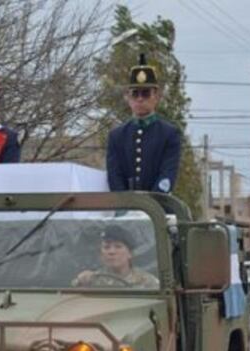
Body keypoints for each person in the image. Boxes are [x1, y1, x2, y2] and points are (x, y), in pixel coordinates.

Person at [106, 54, 182, 193]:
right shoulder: (116, 136)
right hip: (124, 203)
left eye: (146, 93)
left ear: (156, 97)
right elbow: (114, 176)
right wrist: (125, 202)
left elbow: (167, 174)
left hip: (157, 203)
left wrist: (150, 202)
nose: (140, 99)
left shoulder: (169, 134)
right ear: (128, 98)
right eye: (135, 94)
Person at [72, 225, 160, 289]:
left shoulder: (146, 281)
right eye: (106, 247)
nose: (111, 252)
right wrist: (82, 282)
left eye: (118, 246)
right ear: (101, 254)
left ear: (130, 253)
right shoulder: (91, 280)